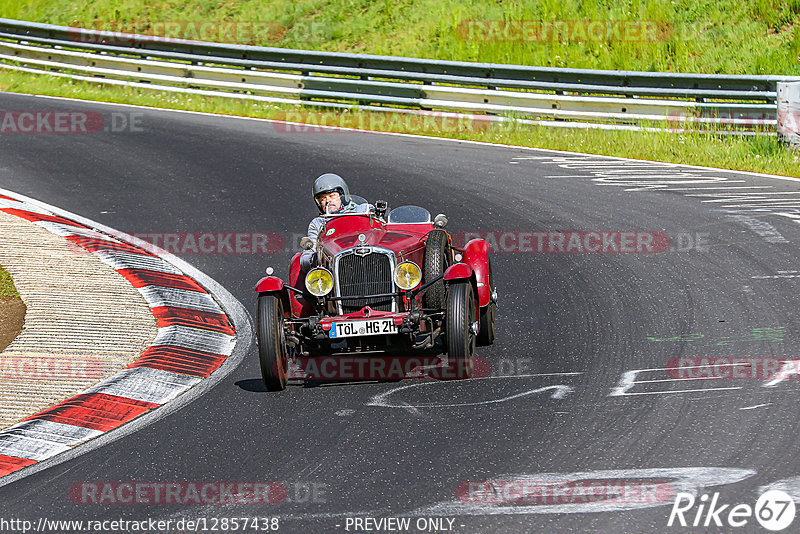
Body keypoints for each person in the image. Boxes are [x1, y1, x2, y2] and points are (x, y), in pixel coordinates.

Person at [300, 173, 371, 270]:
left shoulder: (364, 210)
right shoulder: (318, 223)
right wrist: (314, 258)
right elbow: (305, 259)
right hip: (335, 269)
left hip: (369, 261)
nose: (328, 201)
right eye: (323, 199)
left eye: (332, 196)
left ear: (342, 195)